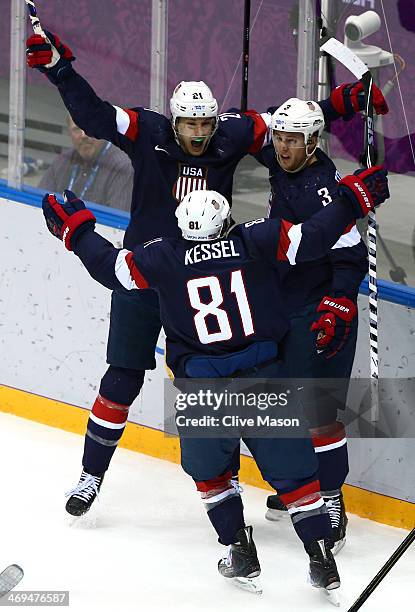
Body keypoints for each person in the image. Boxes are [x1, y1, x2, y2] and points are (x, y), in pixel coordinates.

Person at [26, 29, 389, 518]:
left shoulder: (231, 133)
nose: (199, 134)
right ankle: (91, 475)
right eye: (190, 125)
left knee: (218, 388)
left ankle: (231, 490)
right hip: (149, 269)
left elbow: (290, 126)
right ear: (173, 121)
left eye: (205, 125)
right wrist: (59, 69)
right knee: (123, 376)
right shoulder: (146, 129)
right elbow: (94, 115)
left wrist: (344, 102)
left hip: (206, 279)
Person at [40, 169, 388, 596]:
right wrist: (352, 201)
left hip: (203, 389)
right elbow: (314, 237)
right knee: (298, 479)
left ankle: (240, 549)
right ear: (224, 222)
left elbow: (109, 267)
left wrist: (76, 231)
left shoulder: (163, 257)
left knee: (213, 477)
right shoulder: (254, 240)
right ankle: (321, 559)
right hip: (263, 379)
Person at [255, 99, 369, 553]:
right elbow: (261, 123)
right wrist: (343, 99)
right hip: (284, 304)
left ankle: (332, 497)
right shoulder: (284, 159)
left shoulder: (324, 192)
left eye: (291, 140)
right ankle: (305, 484)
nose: (282, 147)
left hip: (320, 311)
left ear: (312, 142)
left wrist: (338, 303)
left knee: (320, 412)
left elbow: (352, 257)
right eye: (279, 137)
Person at [38, 115, 133, 212]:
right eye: (77, 129)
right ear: (69, 133)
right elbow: (40, 202)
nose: (84, 135)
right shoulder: (63, 160)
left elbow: (116, 223)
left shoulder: (122, 167)